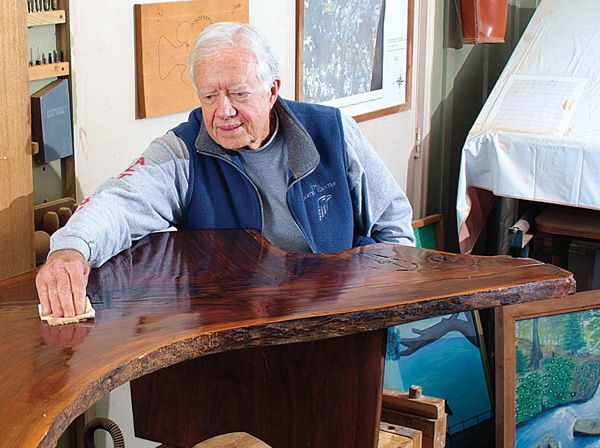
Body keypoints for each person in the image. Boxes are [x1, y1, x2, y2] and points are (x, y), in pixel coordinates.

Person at [36, 22, 415, 318]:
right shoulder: (182, 152)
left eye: (239, 93)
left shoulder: (332, 131)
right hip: (234, 331)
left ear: (272, 90)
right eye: (209, 96)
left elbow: (392, 224)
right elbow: (118, 201)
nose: (224, 111)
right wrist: (71, 249)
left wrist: (383, 312)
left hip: (338, 318)